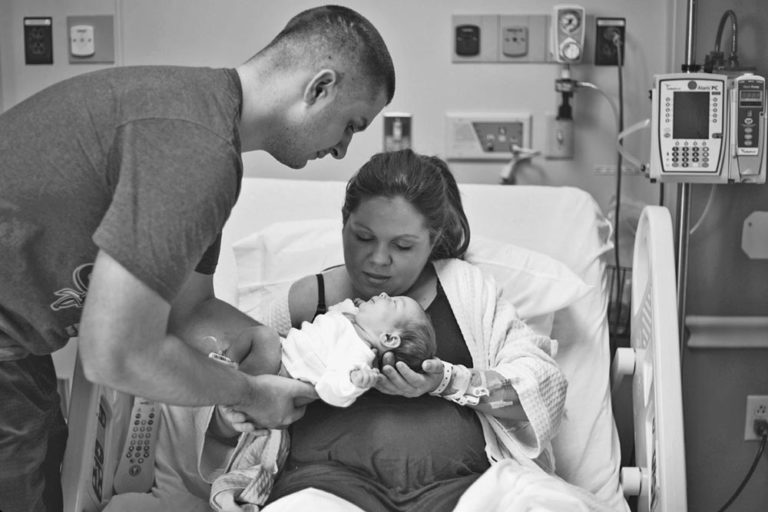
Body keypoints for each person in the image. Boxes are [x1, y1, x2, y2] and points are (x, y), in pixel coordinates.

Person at [0, 4, 395, 511]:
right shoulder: (194, 154)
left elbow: (190, 310)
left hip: (19, 344)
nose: (343, 150)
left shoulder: (204, 131)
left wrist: (268, 344)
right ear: (320, 89)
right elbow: (115, 351)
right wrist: (249, 395)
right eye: (350, 126)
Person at [246, 148, 569, 511]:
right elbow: (237, 381)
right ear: (344, 223)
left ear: (432, 240)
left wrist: (448, 382)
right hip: (324, 489)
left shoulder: (466, 293)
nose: (378, 259)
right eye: (363, 237)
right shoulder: (310, 298)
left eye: (402, 245)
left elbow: (539, 390)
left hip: (463, 491)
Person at [205, 293, 437, 510]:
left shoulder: (358, 353)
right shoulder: (352, 317)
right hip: (281, 359)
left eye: (394, 303)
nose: (385, 294)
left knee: (263, 337)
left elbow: (333, 390)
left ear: (388, 338)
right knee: (260, 335)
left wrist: (355, 381)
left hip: (283, 374)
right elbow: (332, 317)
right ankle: (227, 365)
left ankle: (227, 371)